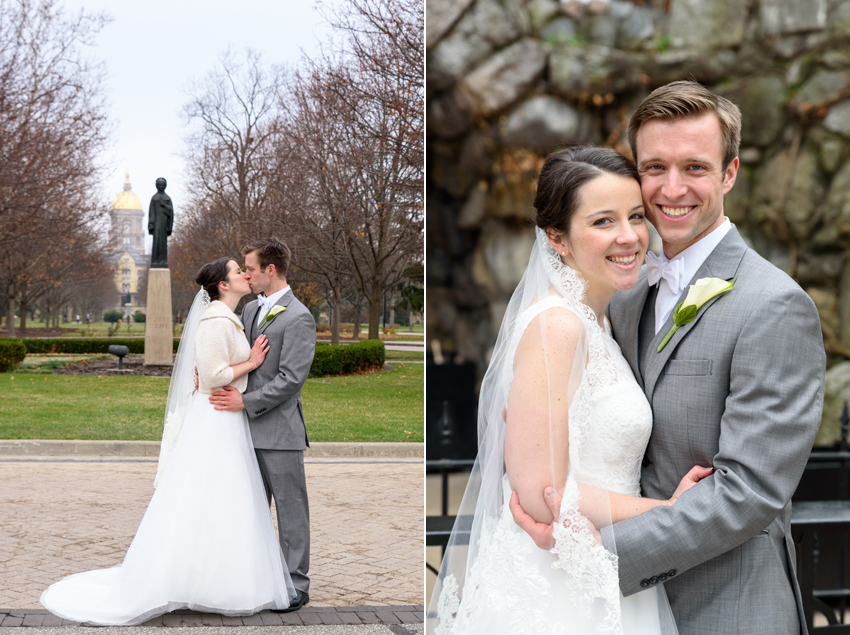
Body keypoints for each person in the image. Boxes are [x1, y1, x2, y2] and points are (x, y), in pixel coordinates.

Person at [510, 81, 826, 634]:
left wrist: (594, 550)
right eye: (654, 167)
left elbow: (748, 493)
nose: (671, 188)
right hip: (617, 610)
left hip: (727, 605)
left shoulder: (774, 305)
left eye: (695, 168)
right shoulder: (622, 297)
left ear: (729, 173)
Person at [429, 146, 714, 635]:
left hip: (606, 566)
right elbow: (545, 497)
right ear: (556, 238)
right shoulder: (557, 326)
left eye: (635, 216)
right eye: (603, 221)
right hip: (560, 591)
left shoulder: (602, 320)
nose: (629, 237)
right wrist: (669, 511)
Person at [41, 258, 297, 625]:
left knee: (222, 502)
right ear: (223, 285)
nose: (245, 273)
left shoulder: (228, 318)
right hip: (215, 419)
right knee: (205, 498)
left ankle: (215, 578)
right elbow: (212, 376)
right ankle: (192, 578)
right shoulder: (215, 321)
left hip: (225, 418)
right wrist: (252, 363)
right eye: (237, 270)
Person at [209, 237, 316, 612]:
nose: (246, 275)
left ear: (270, 270)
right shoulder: (251, 309)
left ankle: (295, 584)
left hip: (279, 430)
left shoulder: (299, 316)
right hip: (240, 430)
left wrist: (245, 401)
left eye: (250, 269)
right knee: (248, 509)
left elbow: (291, 380)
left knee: (290, 509)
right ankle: (253, 578)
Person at [148, 177, 173, 269]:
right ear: (157, 186)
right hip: (156, 226)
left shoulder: (167, 199)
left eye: (163, 185)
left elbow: (170, 213)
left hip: (164, 225)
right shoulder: (154, 198)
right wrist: (151, 223)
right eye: (160, 185)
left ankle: (163, 260)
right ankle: (155, 261)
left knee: (163, 244)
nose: (161, 186)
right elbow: (151, 212)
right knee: (156, 243)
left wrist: (164, 206)